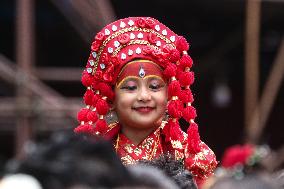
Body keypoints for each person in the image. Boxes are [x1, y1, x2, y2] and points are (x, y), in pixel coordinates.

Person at [74, 17, 217, 185]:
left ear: (170, 95)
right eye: (131, 87)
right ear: (111, 99)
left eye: (155, 86)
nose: (144, 96)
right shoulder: (90, 155)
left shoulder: (191, 157)